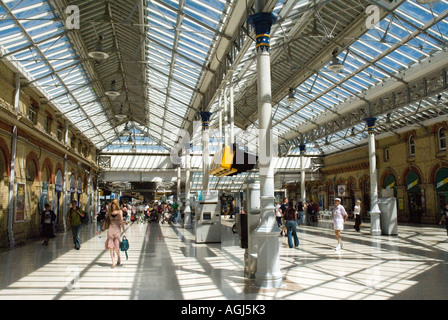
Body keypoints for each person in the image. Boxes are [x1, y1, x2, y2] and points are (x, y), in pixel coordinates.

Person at [101, 199, 126, 268]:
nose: (113, 205)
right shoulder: (109, 212)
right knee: (111, 247)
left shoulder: (120, 212)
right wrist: (102, 228)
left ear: (117, 204)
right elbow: (106, 220)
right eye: (112, 204)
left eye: (115, 204)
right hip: (110, 230)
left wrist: (124, 232)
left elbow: (122, 222)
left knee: (116, 247)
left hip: (117, 230)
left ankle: (118, 257)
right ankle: (113, 263)